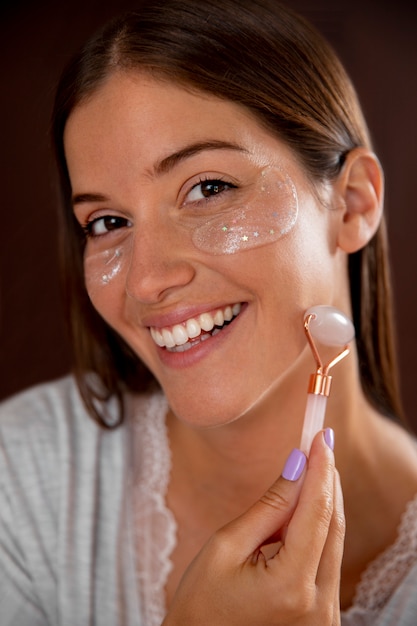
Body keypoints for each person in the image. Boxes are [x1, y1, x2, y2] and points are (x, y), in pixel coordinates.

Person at [1, 0, 417, 624]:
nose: (145, 281)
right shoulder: (19, 474)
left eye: (208, 188)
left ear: (352, 204)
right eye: (108, 222)